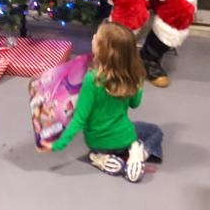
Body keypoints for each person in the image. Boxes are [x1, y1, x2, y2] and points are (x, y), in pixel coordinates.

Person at [38, 22, 163, 183]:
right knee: (156, 131)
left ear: (104, 50)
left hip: (97, 143)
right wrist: (137, 84)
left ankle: (100, 159)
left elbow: (79, 119)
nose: (93, 38)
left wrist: (57, 144)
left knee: (109, 136)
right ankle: (137, 154)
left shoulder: (92, 79)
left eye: (96, 38)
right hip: (125, 139)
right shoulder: (135, 75)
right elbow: (134, 104)